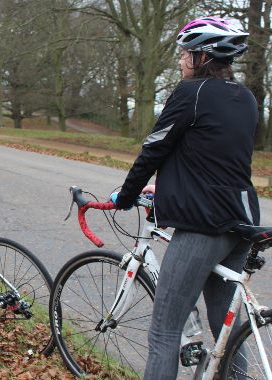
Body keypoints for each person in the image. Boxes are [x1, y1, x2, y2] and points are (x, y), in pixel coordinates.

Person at [109, 17, 259, 379]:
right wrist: (168, 186)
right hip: (241, 220)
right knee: (227, 333)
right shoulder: (246, 98)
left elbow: (154, 150)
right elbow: (215, 159)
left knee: (164, 331)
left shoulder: (192, 93)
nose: (180, 60)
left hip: (203, 225)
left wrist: (126, 196)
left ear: (203, 56)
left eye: (185, 53)